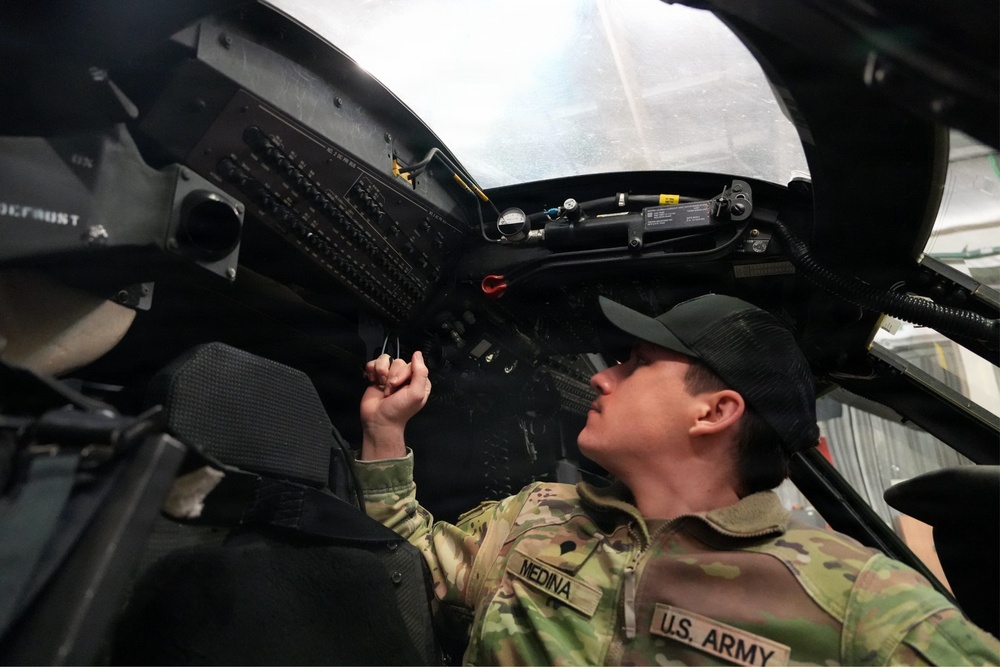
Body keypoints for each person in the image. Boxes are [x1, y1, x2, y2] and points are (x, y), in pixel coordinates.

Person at [355, 293, 1000, 665]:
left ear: (715, 411)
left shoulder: (857, 597)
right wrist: (386, 433)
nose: (602, 377)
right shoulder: (535, 518)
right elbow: (405, 574)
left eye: (636, 364)